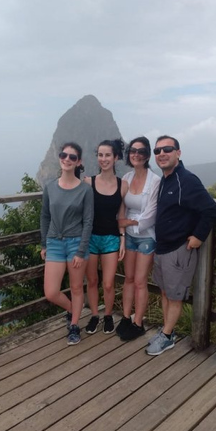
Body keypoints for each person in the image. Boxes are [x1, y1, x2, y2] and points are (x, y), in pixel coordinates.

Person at [146, 135, 216, 356]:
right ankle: (167, 331)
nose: (161, 154)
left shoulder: (186, 180)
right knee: (165, 293)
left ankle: (167, 336)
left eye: (167, 149)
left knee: (175, 295)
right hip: (163, 248)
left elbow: (210, 210)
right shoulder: (166, 180)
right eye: (157, 151)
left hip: (179, 250)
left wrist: (198, 236)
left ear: (178, 152)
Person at [40, 142, 94, 345]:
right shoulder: (50, 187)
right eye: (64, 155)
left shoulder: (85, 190)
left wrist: (81, 251)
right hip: (54, 242)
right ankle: (72, 310)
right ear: (59, 157)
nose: (67, 159)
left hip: (76, 244)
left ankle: (74, 325)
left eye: (73, 157)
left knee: (76, 287)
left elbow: (88, 221)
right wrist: (44, 244)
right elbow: (45, 216)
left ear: (78, 162)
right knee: (51, 292)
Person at [115, 136, 161, 341]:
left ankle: (138, 322)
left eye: (141, 152)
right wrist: (123, 235)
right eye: (133, 151)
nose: (136, 154)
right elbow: (121, 209)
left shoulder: (155, 181)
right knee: (129, 279)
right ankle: (126, 317)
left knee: (141, 281)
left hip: (146, 238)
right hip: (130, 239)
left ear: (147, 155)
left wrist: (128, 223)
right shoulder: (126, 178)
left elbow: (150, 216)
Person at [83, 138, 127, 335]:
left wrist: (123, 239)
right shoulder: (88, 182)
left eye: (107, 155)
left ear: (116, 157)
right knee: (92, 281)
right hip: (90, 237)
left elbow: (122, 215)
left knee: (108, 283)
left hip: (111, 238)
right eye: (100, 155)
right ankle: (94, 315)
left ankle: (108, 315)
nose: (103, 159)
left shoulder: (122, 185)